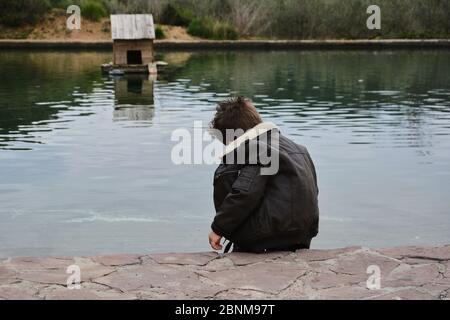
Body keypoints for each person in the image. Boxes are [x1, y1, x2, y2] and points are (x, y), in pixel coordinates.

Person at [208, 96, 319, 253]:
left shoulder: (256, 149)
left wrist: (219, 228)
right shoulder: (299, 149)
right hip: (302, 233)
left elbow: (245, 192)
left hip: (267, 236)